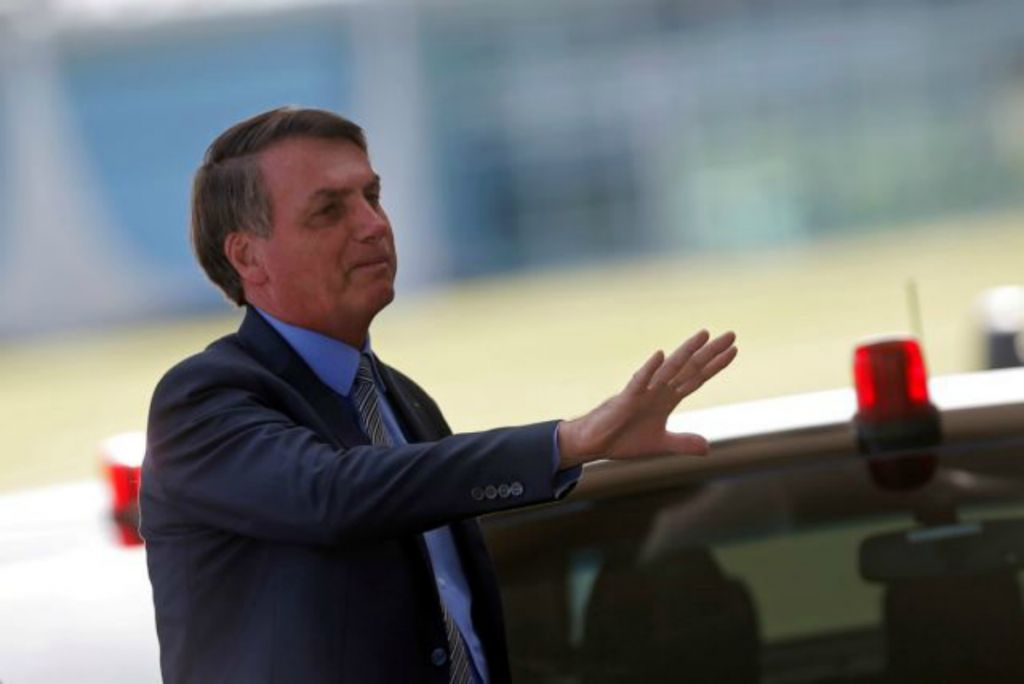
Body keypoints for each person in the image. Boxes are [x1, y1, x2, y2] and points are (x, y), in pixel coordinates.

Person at [140, 106, 738, 684]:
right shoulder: (202, 400)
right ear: (247, 256)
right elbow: (332, 494)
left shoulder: (404, 399)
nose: (374, 225)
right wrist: (566, 442)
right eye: (328, 211)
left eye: (372, 196)